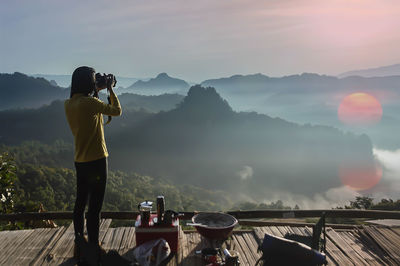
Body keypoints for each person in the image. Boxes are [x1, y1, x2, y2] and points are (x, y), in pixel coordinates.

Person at [64, 66, 122, 263]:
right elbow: (117, 111)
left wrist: (96, 90)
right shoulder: (90, 103)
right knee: (95, 208)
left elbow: (88, 109)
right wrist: (111, 89)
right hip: (97, 160)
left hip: (80, 160)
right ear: (88, 82)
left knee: (80, 204)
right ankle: (94, 248)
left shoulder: (70, 103)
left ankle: (80, 243)